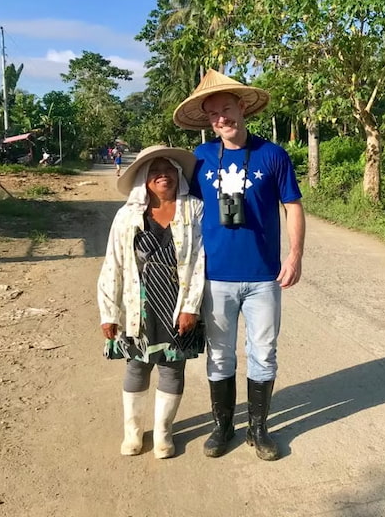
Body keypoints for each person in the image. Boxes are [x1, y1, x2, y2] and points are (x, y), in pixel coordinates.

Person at [173, 69, 306, 461]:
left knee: (264, 352)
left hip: (264, 276)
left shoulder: (273, 155)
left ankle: (259, 429)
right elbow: (176, 205)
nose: (221, 119)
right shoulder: (198, 159)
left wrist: (295, 255)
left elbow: (292, 207)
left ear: (242, 107)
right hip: (214, 277)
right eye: (213, 113)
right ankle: (223, 425)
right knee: (219, 354)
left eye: (227, 109)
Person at [97, 145, 206, 459]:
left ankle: (163, 434)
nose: (163, 175)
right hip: (138, 303)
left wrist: (191, 307)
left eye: (169, 169)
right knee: (137, 365)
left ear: (177, 175)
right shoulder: (127, 215)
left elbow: (200, 260)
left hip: (177, 301)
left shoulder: (194, 210)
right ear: (145, 178)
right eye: (156, 170)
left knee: (173, 367)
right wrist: (109, 312)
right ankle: (132, 433)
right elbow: (113, 263)